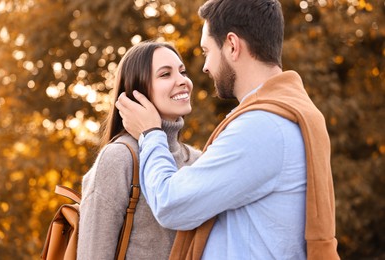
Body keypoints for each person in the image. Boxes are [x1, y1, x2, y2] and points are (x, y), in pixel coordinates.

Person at [115, 0, 340, 259]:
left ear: (232, 45)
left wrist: (150, 134)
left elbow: (170, 203)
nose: (205, 66)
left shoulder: (262, 127)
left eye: (206, 51)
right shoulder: (285, 115)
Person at [77, 41, 201, 259]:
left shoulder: (198, 159)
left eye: (182, 72)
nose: (183, 81)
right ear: (138, 90)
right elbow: (93, 253)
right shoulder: (119, 158)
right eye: (165, 75)